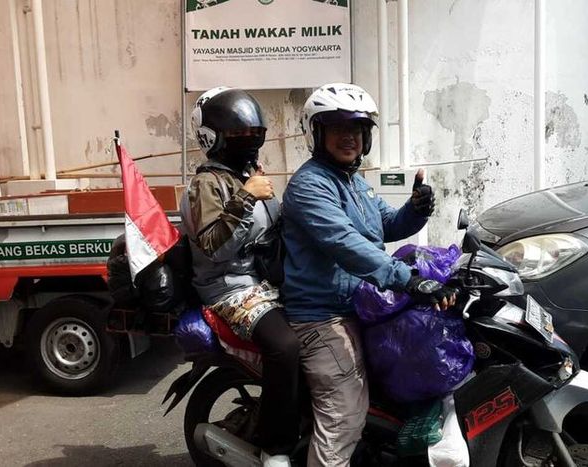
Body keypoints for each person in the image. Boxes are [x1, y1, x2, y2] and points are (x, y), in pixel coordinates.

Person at [282, 83, 457, 466]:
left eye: (357, 130)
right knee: (344, 416)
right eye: (337, 128)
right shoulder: (309, 186)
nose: (349, 137)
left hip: (360, 304)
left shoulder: (354, 182)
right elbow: (345, 242)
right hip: (322, 315)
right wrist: (406, 279)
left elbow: (387, 226)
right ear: (317, 134)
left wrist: (416, 209)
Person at [180, 86, 299, 467]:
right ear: (212, 138)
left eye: (253, 136)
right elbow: (215, 247)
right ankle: (275, 448)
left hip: (264, 282)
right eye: (237, 137)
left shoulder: (246, 174)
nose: (247, 143)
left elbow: (272, 230)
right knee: (285, 347)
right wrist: (246, 198)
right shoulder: (206, 184)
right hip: (230, 289)